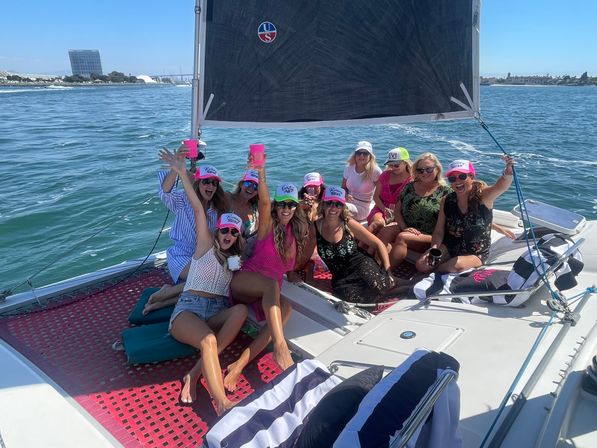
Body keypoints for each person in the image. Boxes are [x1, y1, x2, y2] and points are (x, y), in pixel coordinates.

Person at [160, 147, 247, 415]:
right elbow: (198, 209)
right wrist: (181, 172)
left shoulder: (234, 259)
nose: (229, 234)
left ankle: (194, 373)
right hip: (189, 309)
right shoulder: (205, 246)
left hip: (215, 311)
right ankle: (222, 402)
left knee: (241, 311)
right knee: (209, 340)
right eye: (225, 230)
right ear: (216, 230)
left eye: (234, 232)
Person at [225, 159, 309, 391]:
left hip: (268, 292)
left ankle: (240, 364)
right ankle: (280, 349)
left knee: (287, 308)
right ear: (276, 206)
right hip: (245, 281)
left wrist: (295, 274)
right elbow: (262, 201)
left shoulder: (296, 232)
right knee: (272, 286)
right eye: (282, 204)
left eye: (291, 205)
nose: (286, 209)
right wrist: (261, 173)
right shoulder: (267, 225)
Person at [143, 151, 228, 315]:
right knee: (207, 280)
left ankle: (164, 298)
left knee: (212, 285)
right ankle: (167, 294)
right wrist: (176, 169)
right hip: (182, 255)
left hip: (203, 257)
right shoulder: (182, 200)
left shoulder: (217, 210)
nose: (210, 186)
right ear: (198, 183)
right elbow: (165, 192)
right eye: (206, 182)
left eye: (214, 183)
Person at [418, 156, 515, 274]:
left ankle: (424, 278)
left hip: (476, 252)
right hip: (450, 246)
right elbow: (439, 231)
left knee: (455, 266)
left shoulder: (483, 197)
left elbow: (501, 186)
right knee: (422, 265)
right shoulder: (447, 200)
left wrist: (508, 172)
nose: (457, 181)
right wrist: (434, 247)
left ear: (472, 177)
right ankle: (423, 277)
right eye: (452, 179)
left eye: (462, 176)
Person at [312, 185, 396, 304]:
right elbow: (306, 253)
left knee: (378, 285)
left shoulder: (348, 223)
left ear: (343, 207)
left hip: (360, 263)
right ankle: (397, 285)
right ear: (323, 204)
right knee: (352, 299)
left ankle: (401, 285)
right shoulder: (315, 226)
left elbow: (378, 244)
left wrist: (388, 271)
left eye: (338, 204)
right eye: (329, 203)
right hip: (340, 276)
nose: (333, 208)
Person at [378, 152, 451, 271]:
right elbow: (397, 210)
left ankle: (386, 274)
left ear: (437, 169)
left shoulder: (446, 193)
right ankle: (374, 266)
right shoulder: (410, 187)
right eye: (420, 170)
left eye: (429, 169)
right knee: (386, 231)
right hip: (407, 228)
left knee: (403, 237)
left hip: (429, 236)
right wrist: (404, 227)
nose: (424, 173)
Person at [367, 147, 413, 235]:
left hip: (400, 214)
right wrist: (384, 209)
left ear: (405, 163)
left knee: (388, 231)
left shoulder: (412, 180)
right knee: (378, 223)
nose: (393, 168)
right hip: (381, 208)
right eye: (390, 165)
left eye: (396, 165)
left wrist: (396, 215)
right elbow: (376, 196)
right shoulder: (385, 175)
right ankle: (360, 245)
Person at [342, 141, 382, 221]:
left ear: (370, 156)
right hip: (347, 201)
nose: (361, 155)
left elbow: (382, 193)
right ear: (355, 155)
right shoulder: (349, 167)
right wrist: (345, 194)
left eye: (365, 153)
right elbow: (343, 187)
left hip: (362, 207)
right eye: (359, 153)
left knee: (338, 207)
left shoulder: (375, 171)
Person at [227, 169, 260, 239]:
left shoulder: (255, 209)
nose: (251, 188)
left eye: (255, 186)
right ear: (241, 184)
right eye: (248, 183)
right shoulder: (227, 198)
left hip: (245, 248)